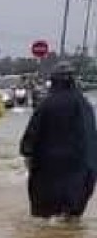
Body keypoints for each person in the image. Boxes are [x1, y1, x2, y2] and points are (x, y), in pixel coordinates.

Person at [20, 62, 97, 219]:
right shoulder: (86, 106)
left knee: (44, 221)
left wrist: (27, 154)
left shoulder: (47, 104)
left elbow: (31, 137)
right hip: (81, 175)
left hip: (48, 175)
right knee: (71, 222)